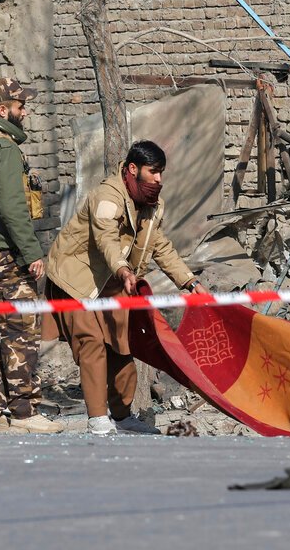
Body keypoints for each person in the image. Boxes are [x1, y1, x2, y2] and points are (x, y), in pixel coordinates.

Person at [45, 140, 206, 436]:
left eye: (161, 173)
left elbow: (159, 245)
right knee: (91, 344)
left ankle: (122, 416)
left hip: (115, 283)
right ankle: (97, 419)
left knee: (121, 347)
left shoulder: (152, 204)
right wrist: (122, 268)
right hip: (77, 279)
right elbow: (106, 237)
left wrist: (190, 281)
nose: (159, 179)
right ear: (133, 169)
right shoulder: (107, 195)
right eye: (153, 172)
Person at [0, 77, 63, 434]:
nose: (25, 112)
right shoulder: (3, 148)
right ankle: (24, 411)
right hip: (8, 254)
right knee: (22, 331)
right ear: (2, 109)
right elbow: (12, 207)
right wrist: (31, 252)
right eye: (21, 107)